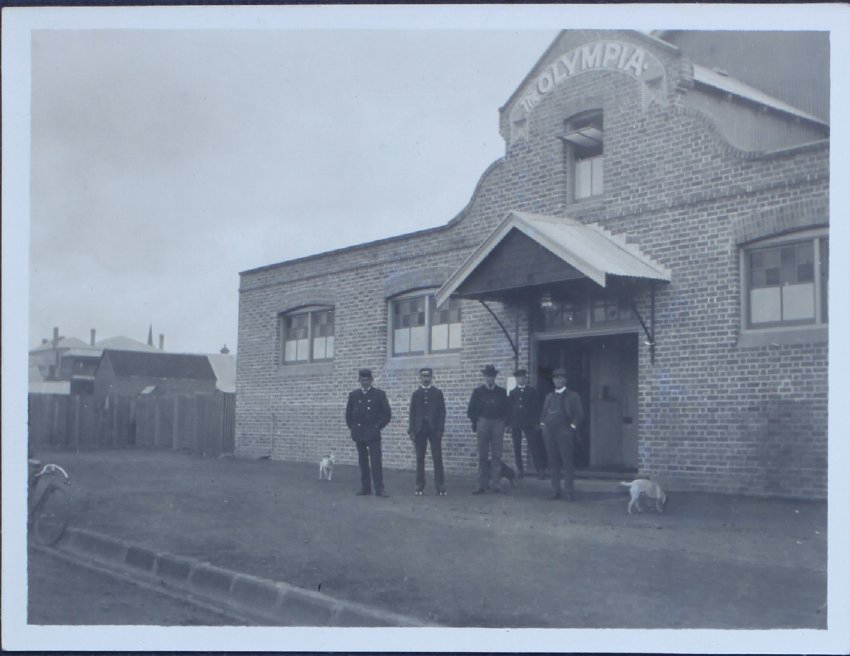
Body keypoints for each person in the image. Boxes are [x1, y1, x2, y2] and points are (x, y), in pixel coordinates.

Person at [539, 368, 584, 501]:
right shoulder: (549, 396)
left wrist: (571, 427)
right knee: (553, 462)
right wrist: (542, 425)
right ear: (552, 381)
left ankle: (569, 491)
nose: (558, 381)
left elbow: (580, 414)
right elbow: (544, 412)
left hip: (564, 431)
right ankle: (555, 491)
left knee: (567, 462)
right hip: (549, 432)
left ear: (565, 380)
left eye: (560, 378)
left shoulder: (573, 395)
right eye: (555, 378)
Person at [345, 368, 392, 497]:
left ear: (371, 380)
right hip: (359, 433)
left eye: (367, 380)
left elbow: (387, 414)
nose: (365, 382)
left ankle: (379, 488)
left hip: (373, 433)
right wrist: (354, 428)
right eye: (362, 380)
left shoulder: (379, 394)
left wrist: (377, 427)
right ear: (359, 380)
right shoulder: (353, 395)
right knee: (363, 461)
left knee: (376, 461)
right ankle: (365, 488)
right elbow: (348, 415)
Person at [466, 364, 509, 494]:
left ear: (495, 377)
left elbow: (507, 409)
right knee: (483, 455)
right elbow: (470, 410)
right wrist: (477, 421)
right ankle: (481, 484)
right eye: (488, 376)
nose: (490, 379)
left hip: (497, 424)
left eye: (492, 376)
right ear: (485, 377)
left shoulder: (501, 392)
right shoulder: (478, 392)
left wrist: (503, 422)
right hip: (483, 423)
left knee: (497, 455)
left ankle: (496, 484)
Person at [408, 367, 447, 496]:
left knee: (437, 457)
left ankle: (440, 486)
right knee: (420, 458)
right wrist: (412, 430)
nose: (426, 378)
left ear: (431, 377)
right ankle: (419, 485)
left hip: (434, 429)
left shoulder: (437, 393)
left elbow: (442, 412)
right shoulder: (416, 394)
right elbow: (412, 413)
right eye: (423, 376)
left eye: (428, 376)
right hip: (420, 429)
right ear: (420, 378)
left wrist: (440, 429)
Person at [507, 368, 547, 479]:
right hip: (515, 423)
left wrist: (537, 422)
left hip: (529, 423)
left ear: (526, 378)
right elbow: (509, 409)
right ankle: (520, 470)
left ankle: (540, 469)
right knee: (517, 446)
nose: (521, 379)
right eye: (519, 378)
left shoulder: (532, 391)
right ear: (516, 379)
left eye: (523, 377)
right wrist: (508, 424)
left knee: (534, 446)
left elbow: (536, 408)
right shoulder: (512, 393)